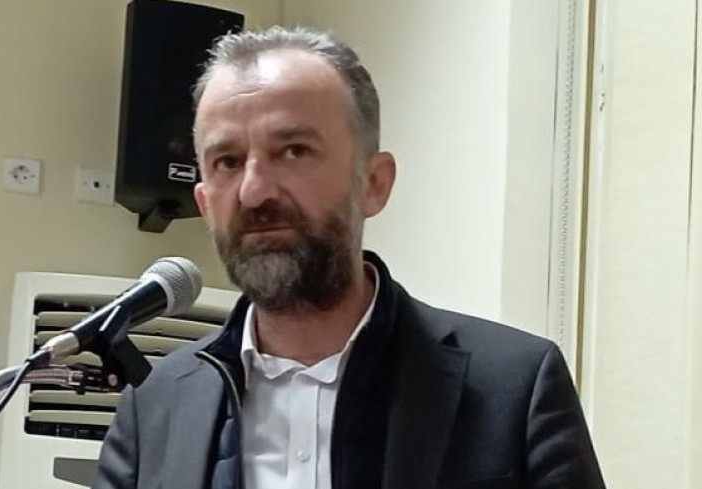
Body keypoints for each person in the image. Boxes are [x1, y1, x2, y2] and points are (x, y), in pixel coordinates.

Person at [93, 26, 606, 489]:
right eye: (227, 161)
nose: (253, 191)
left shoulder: (514, 386)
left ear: (374, 183)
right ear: (206, 203)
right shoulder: (154, 406)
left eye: (293, 151)